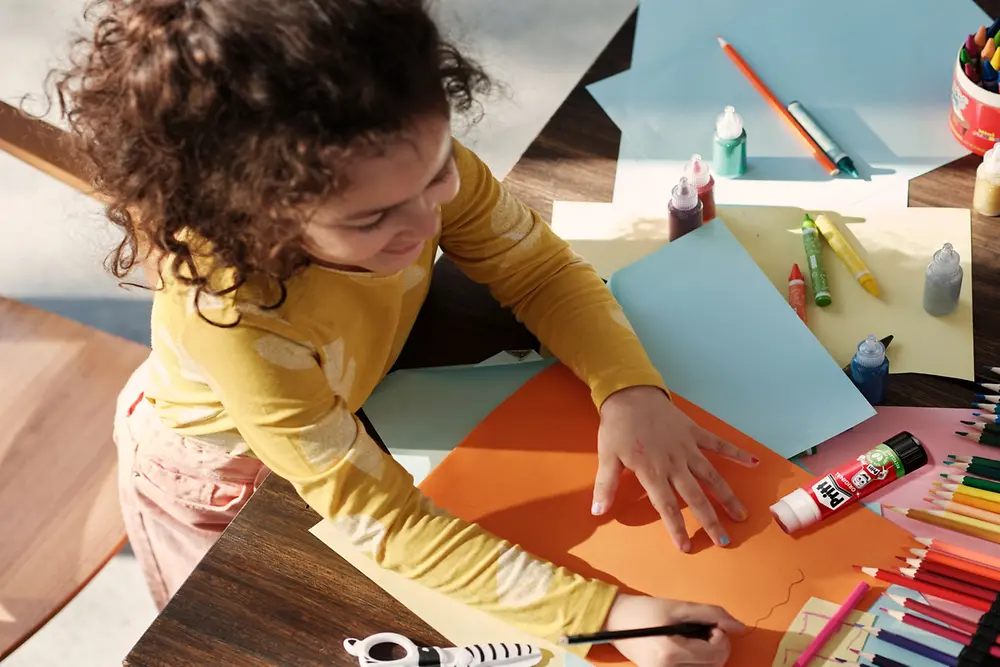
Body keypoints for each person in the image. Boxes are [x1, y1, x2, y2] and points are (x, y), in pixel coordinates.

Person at [51, 0, 758, 664]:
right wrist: (608, 615)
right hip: (217, 480)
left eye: (440, 171)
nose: (426, 223)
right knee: (232, 631)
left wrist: (630, 388)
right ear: (254, 216)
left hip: (349, 402)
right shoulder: (235, 317)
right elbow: (383, 521)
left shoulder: (397, 170)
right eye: (372, 219)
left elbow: (539, 272)